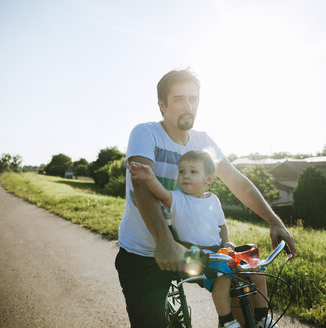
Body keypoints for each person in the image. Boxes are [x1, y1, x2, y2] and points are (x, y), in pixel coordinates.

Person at [115, 68, 296, 328]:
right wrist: (164, 242)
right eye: (179, 99)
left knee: (242, 279)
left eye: (193, 98)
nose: (188, 106)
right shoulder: (146, 134)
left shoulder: (203, 142)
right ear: (162, 105)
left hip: (193, 251)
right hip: (146, 253)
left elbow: (237, 182)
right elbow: (142, 189)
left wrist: (274, 220)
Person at [129, 149, 278, 328]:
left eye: (193, 172)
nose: (185, 176)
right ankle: (227, 320)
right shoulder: (177, 198)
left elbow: (221, 225)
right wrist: (149, 177)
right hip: (195, 254)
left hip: (218, 250)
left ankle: (262, 317)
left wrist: (226, 242)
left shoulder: (214, 200)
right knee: (223, 275)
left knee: (256, 267)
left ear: (208, 179)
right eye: (182, 171)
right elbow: (161, 192)